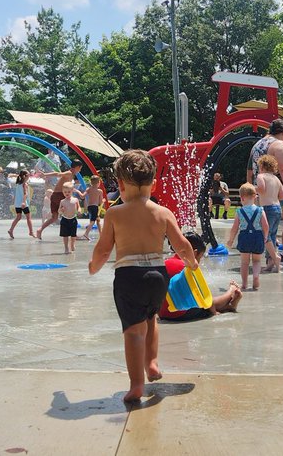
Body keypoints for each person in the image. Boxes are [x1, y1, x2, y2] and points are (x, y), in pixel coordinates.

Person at [88, 149, 198, 404]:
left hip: (129, 276)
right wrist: (191, 263)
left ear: (121, 185)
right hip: (158, 277)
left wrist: (93, 266)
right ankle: (152, 363)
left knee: (133, 332)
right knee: (151, 319)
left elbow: (104, 249)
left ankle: (137, 384)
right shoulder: (163, 212)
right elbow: (182, 245)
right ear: (154, 184)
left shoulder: (115, 213)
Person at [246, 119, 283, 267]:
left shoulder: (257, 145)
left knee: (268, 226)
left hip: (263, 193)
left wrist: (251, 189)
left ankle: (270, 258)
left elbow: (250, 170)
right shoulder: (279, 144)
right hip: (279, 188)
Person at [160, 232, 242, 319]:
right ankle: (231, 293)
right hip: (182, 313)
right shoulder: (188, 267)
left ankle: (228, 306)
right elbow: (203, 295)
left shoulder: (165, 263)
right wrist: (213, 311)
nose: (199, 261)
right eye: (200, 257)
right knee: (208, 300)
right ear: (194, 253)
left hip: (163, 313)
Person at [224, 182, 271, 291]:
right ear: (255, 197)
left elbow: (234, 228)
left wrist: (230, 240)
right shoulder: (260, 210)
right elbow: (266, 226)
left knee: (244, 263)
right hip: (257, 236)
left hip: (245, 237)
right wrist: (265, 237)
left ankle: (244, 284)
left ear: (242, 198)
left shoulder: (239, 211)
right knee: (257, 261)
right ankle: (255, 276)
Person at [36, 161, 83, 239]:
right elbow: (57, 174)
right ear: (77, 167)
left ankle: (40, 230)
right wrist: (45, 174)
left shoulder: (70, 175)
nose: (80, 170)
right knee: (70, 212)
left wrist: (76, 190)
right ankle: (73, 234)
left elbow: (66, 187)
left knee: (54, 217)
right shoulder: (69, 173)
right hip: (60, 195)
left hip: (55, 195)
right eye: (80, 168)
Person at [254, 154, 283, 274]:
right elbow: (281, 195)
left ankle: (276, 258)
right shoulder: (276, 179)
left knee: (265, 236)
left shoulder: (261, 176)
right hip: (277, 208)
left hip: (267, 208)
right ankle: (271, 261)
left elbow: (261, 189)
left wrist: (251, 189)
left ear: (262, 166)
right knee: (272, 235)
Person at [7, 169, 34, 239]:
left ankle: (11, 230)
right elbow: (25, 194)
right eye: (29, 175)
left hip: (17, 203)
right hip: (23, 204)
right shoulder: (25, 184)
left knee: (18, 217)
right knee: (28, 218)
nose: (29, 176)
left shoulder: (18, 184)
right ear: (25, 176)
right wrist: (24, 202)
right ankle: (31, 232)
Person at [58, 181, 81, 255]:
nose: (67, 193)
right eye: (65, 192)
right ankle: (66, 247)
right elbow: (59, 211)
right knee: (65, 235)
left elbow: (79, 207)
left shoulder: (75, 200)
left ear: (72, 191)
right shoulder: (62, 201)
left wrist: (79, 211)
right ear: (63, 192)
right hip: (64, 219)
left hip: (73, 219)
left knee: (73, 235)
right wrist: (61, 210)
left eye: (68, 192)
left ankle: (72, 244)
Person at [81, 174, 104, 240]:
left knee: (98, 220)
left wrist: (77, 191)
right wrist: (103, 201)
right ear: (98, 183)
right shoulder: (99, 191)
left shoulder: (89, 189)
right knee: (93, 221)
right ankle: (86, 233)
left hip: (89, 207)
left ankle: (101, 234)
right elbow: (100, 202)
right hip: (95, 207)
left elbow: (82, 196)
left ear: (91, 182)